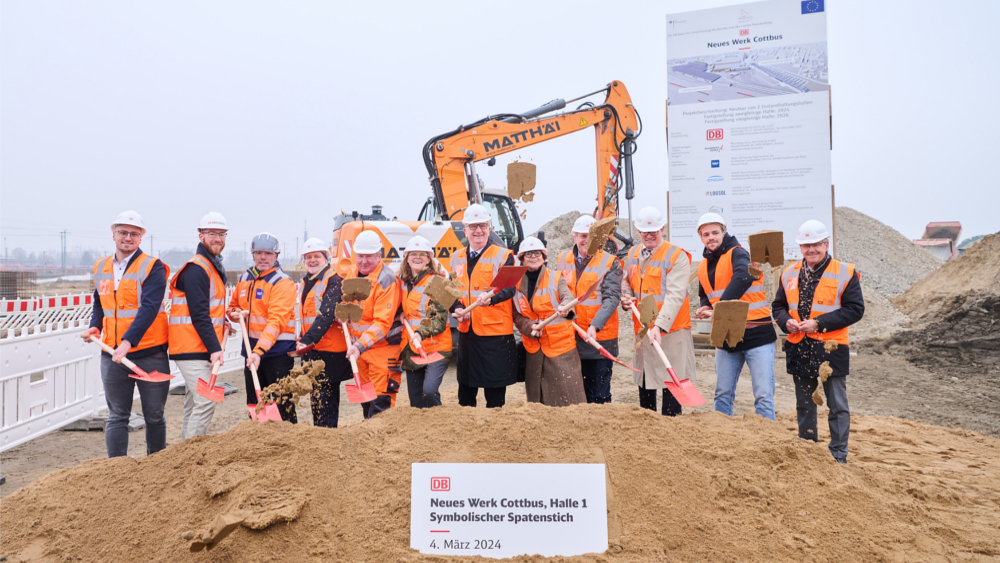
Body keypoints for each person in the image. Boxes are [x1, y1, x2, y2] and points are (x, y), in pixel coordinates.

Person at [772, 219, 864, 464]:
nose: (810, 249)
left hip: (830, 346)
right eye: (805, 245)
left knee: (837, 406)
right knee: (804, 404)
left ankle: (838, 455)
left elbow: (855, 310)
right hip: (799, 345)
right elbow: (778, 306)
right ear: (799, 247)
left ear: (826, 243)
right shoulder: (789, 273)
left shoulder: (845, 272)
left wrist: (818, 322)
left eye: (815, 244)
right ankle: (808, 451)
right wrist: (785, 322)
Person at [81, 210, 170, 458]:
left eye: (133, 233)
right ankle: (116, 469)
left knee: (154, 414)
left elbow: (150, 307)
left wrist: (128, 342)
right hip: (111, 352)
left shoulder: (153, 267)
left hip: (150, 353)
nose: (127, 238)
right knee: (118, 414)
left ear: (141, 237)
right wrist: (95, 326)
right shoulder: (100, 267)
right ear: (113, 235)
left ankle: (156, 464)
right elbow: (100, 303)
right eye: (122, 232)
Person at [693, 212, 777, 421]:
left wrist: (719, 309)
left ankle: (769, 444)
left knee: (764, 397)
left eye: (715, 232)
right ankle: (723, 439)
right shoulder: (703, 265)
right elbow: (705, 293)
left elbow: (744, 275)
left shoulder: (738, 253)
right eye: (706, 234)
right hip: (726, 336)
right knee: (722, 394)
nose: (711, 237)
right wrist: (706, 307)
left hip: (757, 335)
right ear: (700, 237)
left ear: (724, 232)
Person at [621, 205, 696, 416]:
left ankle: (671, 432)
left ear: (662, 228)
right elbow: (627, 281)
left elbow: (675, 296)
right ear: (638, 231)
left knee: (672, 385)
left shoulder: (677, 256)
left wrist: (660, 326)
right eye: (645, 231)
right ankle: (649, 430)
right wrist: (626, 297)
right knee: (646, 382)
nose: (649, 235)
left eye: (654, 230)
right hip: (644, 330)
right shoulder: (633, 253)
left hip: (671, 331)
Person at [168, 212, 232, 439]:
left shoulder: (210, 266)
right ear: (201, 235)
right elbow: (198, 315)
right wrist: (215, 349)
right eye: (212, 234)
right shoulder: (197, 268)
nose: (218, 239)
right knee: (206, 401)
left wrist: (222, 323)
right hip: (191, 346)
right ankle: (191, 454)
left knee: (193, 402)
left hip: (197, 346)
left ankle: (184, 451)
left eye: (222, 234)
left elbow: (209, 311)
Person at [452, 204, 518, 408]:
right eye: (473, 226)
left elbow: (510, 288)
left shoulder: (503, 255)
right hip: (467, 332)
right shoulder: (456, 257)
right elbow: (451, 291)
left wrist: (491, 298)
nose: (478, 231)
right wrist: (455, 308)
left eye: (482, 226)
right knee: (465, 392)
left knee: (495, 395)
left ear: (489, 228)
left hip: (495, 335)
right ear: (465, 231)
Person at [227, 233, 298, 422]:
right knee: (255, 405)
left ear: (276, 255)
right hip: (252, 353)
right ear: (252, 255)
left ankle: (290, 446)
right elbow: (233, 306)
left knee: (283, 406)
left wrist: (259, 351)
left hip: (277, 355)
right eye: (258, 253)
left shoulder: (282, 283)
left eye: (268, 253)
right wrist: (233, 313)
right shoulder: (245, 278)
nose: (263, 257)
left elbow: (276, 322)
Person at [555, 214, 623, 404]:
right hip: (572, 336)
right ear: (574, 236)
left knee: (599, 395)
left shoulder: (611, 262)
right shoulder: (562, 259)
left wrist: (594, 326)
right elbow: (558, 291)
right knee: (578, 394)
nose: (586, 240)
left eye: (590, 235)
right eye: (582, 235)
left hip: (599, 338)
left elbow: (612, 298)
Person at [513, 237, 586, 406]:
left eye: (537, 253)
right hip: (534, 350)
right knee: (537, 402)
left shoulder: (555, 278)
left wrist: (565, 306)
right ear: (522, 258)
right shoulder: (515, 284)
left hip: (560, 348)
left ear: (544, 256)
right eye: (528, 254)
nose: (533, 256)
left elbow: (568, 296)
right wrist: (530, 326)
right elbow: (516, 315)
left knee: (569, 399)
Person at [344, 230, 402, 418]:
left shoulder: (387, 279)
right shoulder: (352, 272)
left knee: (381, 407)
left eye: (369, 256)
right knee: (366, 404)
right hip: (360, 351)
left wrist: (358, 346)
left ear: (379, 255)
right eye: (360, 256)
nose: (364, 261)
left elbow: (382, 323)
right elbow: (348, 301)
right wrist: (343, 312)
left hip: (383, 351)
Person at [295, 237, 352, 428]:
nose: (312, 260)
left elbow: (327, 314)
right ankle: (319, 439)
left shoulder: (333, 280)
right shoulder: (307, 282)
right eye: (308, 257)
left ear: (325, 257)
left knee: (327, 402)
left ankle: (328, 440)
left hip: (329, 352)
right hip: (313, 350)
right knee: (316, 399)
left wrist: (306, 340)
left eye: (316, 256)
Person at [398, 235, 452, 408]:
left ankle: (438, 423)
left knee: (429, 391)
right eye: (413, 253)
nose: (418, 257)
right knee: (415, 401)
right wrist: (399, 313)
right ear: (407, 258)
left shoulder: (439, 283)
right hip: (413, 349)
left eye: (423, 254)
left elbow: (440, 320)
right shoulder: (403, 283)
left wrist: (420, 333)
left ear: (429, 259)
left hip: (437, 348)